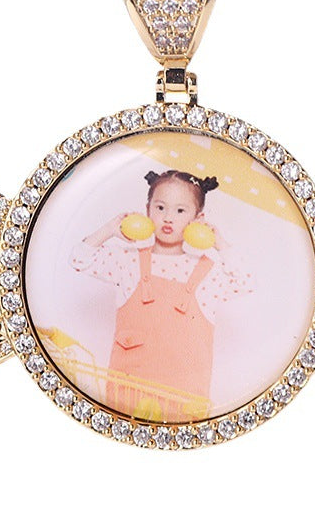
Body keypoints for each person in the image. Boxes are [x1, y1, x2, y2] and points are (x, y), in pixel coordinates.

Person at [70, 168, 253, 422]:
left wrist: (220, 243)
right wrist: (110, 229)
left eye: (180, 211)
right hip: (127, 395)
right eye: (160, 208)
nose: (168, 218)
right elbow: (79, 259)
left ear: (198, 219)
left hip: (184, 402)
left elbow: (246, 282)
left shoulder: (207, 272)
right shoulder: (128, 261)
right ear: (147, 210)